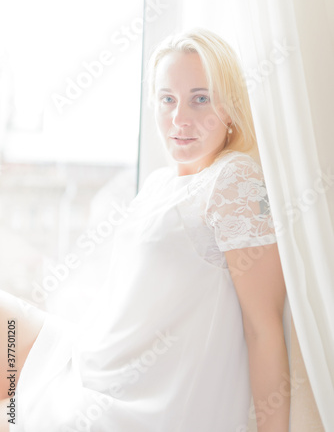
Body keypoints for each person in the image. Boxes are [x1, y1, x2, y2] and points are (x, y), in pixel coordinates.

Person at [0, 28, 290, 432]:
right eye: (167, 99)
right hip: (95, 360)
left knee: (10, 403)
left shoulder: (232, 180)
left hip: (142, 405)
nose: (179, 118)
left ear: (229, 108)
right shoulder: (160, 183)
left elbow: (263, 326)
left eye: (200, 99)